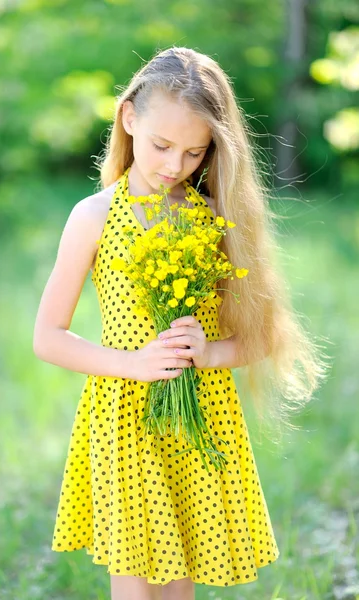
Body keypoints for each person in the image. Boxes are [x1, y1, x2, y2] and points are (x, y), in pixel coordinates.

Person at [33, 46, 329, 600]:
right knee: (135, 582)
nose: (175, 166)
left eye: (195, 153)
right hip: (125, 416)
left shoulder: (215, 218)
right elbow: (47, 337)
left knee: (178, 584)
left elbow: (263, 335)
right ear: (129, 119)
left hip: (199, 419)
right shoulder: (93, 217)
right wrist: (135, 365)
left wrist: (210, 352)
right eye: (161, 146)